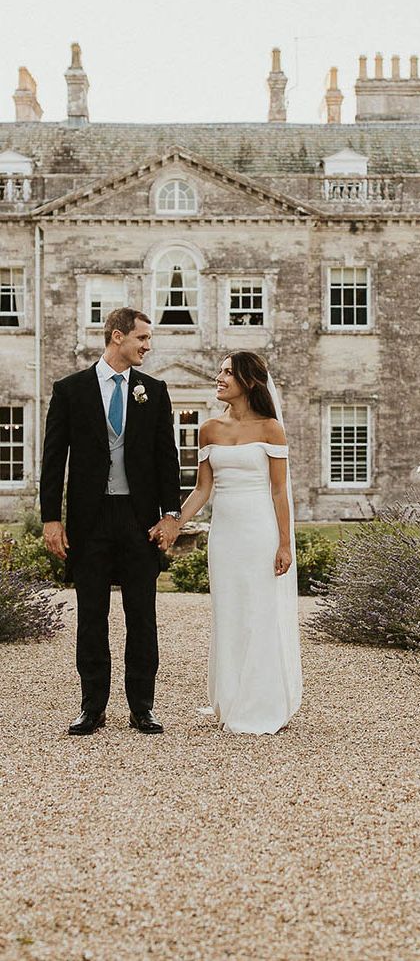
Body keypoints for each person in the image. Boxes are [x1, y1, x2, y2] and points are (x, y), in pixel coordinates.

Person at [40, 307, 181, 736]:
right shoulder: (71, 390)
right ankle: (92, 707)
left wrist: (171, 515)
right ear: (117, 337)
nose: (147, 346)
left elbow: (166, 459)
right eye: (141, 338)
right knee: (91, 616)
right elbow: (53, 460)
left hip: (139, 519)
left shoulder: (153, 391)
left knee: (142, 615)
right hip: (90, 518)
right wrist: (51, 518)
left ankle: (142, 707)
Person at [166, 351, 302, 734]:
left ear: (249, 382)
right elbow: (202, 488)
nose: (219, 377)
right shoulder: (208, 429)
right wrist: (174, 522)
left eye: (228, 372)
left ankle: (260, 703)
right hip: (225, 535)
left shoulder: (271, 429)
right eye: (220, 371)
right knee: (229, 613)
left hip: (260, 531)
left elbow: (279, 492)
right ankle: (229, 697)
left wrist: (284, 543)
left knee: (259, 612)